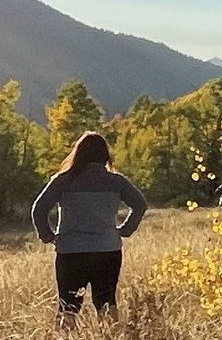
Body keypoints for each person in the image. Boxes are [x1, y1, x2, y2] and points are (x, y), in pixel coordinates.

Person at [31, 130, 148, 320]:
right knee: (107, 303)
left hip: (71, 252)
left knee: (68, 307)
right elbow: (140, 205)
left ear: (78, 154)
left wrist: (48, 236)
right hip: (107, 251)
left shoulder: (62, 181)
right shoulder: (116, 181)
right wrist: (125, 230)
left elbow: (39, 208)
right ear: (105, 155)